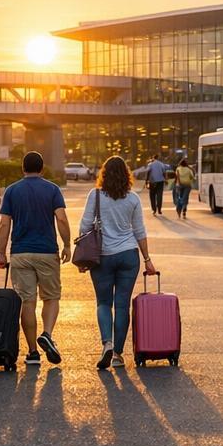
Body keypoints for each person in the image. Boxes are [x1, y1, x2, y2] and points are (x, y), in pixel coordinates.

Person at [0, 152, 71, 367]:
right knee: (51, 297)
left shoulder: (12, 191)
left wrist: (2, 252)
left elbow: (4, 224)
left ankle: (33, 353)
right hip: (47, 251)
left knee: (27, 301)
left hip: (20, 253)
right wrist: (66, 245)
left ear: (23, 168)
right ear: (42, 168)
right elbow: (62, 219)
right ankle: (47, 333)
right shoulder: (52, 190)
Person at [80, 156, 157, 370]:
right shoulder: (132, 199)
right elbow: (139, 231)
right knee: (122, 305)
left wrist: (84, 257)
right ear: (127, 175)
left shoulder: (94, 196)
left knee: (104, 303)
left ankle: (107, 343)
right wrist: (147, 259)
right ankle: (117, 355)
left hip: (102, 256)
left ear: (103, 174)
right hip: (128, 255)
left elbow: (85, 225)